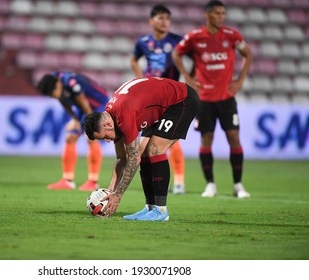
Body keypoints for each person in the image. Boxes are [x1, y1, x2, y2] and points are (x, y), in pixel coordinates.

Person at [83, 77, 200, 221]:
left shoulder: (123, 114)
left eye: (105, 136)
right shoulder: (111, 116)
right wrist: (110, 192)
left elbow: (133, 159)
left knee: (154, 149)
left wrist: (118, 196)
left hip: (182, 100)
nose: (107, 140)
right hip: (160, 107)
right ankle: (149, 208)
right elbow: (121, 158)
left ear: (107, 125)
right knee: (144, 152)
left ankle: (161, 211)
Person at [172, 0, 252, 198]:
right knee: (207, 139)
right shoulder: (195, 37)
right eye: (217, 13)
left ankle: (238, 185)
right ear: (207, 15)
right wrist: (187, 77)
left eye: (223, 13)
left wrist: (240, 80)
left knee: (233, 137)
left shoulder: (232, 35)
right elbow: (176, 53)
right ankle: (210, 185)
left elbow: (247, 54)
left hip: (226, 97)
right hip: (205, 98)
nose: (221, 17)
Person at [130, 4, 187, 195]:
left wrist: (191, 78)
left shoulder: (178, 41)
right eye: (160, 18)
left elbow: (195, 58)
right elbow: (133, 59)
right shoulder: (143, 42)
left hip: (171, 95)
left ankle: (179, 181)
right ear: (151, 21)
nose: (165, 22)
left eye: (167, 19)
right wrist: (140, 79)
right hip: (151, 95)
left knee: (171, 139)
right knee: (148, 139)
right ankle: (153, 180)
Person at [36, 72, 110, 191]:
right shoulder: (55, 83)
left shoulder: (71, 82)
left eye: (52, 93)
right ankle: (67, 180)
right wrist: (75, 120)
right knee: (70, 137)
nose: (52, 96)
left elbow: (82, 101)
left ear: (57, 84)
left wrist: (91, 124)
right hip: (84, 107)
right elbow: (64, 101)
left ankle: (93, 181)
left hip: (100, 104)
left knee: (90, 137)